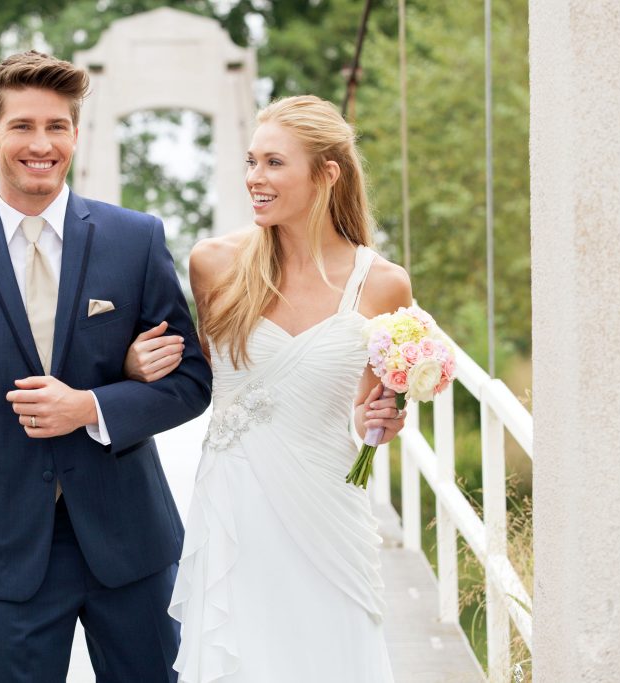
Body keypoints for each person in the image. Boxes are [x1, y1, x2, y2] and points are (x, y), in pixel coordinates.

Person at [0, 50, 212, 683]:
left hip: (131, 539)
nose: (42, 144)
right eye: (23, 126)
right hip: (10, 546)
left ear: (75, 134)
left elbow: (191, 383)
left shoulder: (135, 238)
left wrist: (91, 407)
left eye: (57, 126)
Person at [147, 95, 410, 681]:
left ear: (327, 174)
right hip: (236, 503)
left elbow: (373, 413)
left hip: (329, 504)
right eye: (250, 162)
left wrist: (387, 421)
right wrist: (140, 365)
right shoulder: (213, 264)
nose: (254, 179)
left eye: (273, 163)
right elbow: (199, 377)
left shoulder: (386, 285)